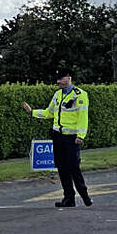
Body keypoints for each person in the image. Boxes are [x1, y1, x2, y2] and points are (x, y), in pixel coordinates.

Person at [22, 68, 92, 208]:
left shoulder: (80, 95)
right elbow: (49, 112)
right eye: (57, 79)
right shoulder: (57, 95)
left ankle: (85, 195)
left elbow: (83, 117)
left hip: (71, 138)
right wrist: (32, 112)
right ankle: (69, 198)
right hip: (58, 136)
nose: (58, 82)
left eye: (61, 79)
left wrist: (81, 135)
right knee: (62, 168)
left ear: (69, 78)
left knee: (73, 167)